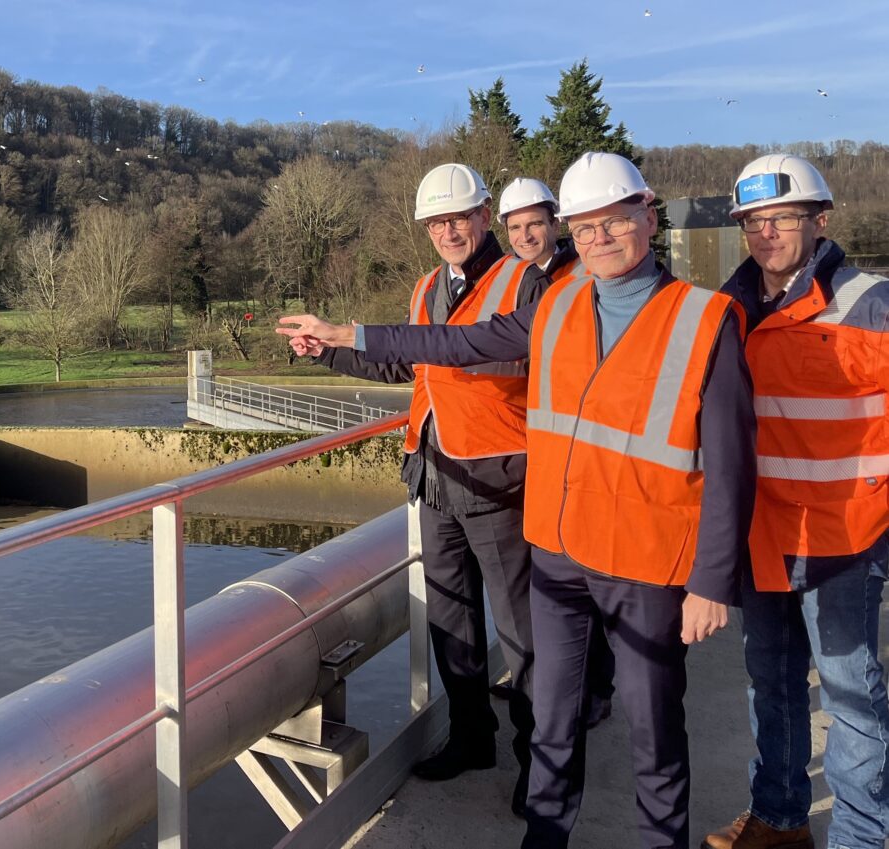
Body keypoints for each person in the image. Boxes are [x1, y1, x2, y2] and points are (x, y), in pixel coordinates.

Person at [280, 151, 756, 849]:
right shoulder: (554, 305)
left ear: (647, 216)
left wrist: (713, 580)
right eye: (585, 227)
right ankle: (544, 834)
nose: (598, 238)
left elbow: (734, 462)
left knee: (653, 722)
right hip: (559, 548)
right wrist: (344, 337)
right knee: (555, 717)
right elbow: (452, 341)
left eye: (613, 222)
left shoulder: (703, 319)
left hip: (643, 556)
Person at [305, 163, 548, 815]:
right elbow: (400, 360)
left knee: (523, 633)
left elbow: (489, 351)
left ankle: (541, 768)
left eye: (459, 217)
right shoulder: (425, 288)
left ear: (484, 215)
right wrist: (325, 350)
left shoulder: (525, 282)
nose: (448, 230)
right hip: (435, 473)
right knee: (451, 620)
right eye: (436, 222)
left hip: (499, 479)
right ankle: (472, 737)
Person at [701, 154, 889, 849]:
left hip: (845, 538)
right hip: (763, 535)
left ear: (820, 220)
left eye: (782, 217)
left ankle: (863, 838)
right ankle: (779, 819)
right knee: (770, 683)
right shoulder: (729, 309)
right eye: (753, 221)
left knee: (851, 696)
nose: (766, 232)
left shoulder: (870, 304)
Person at [496, 177, 615, 727]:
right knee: (562, 593)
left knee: (587, 591)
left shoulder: (577, 278)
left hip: (589, 452)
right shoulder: (524, 280)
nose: (525, 235)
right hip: (544, 451)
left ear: (555, 223)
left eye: (534, 224)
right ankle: (573, 692)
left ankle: (592, 695)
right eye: (516, 228)